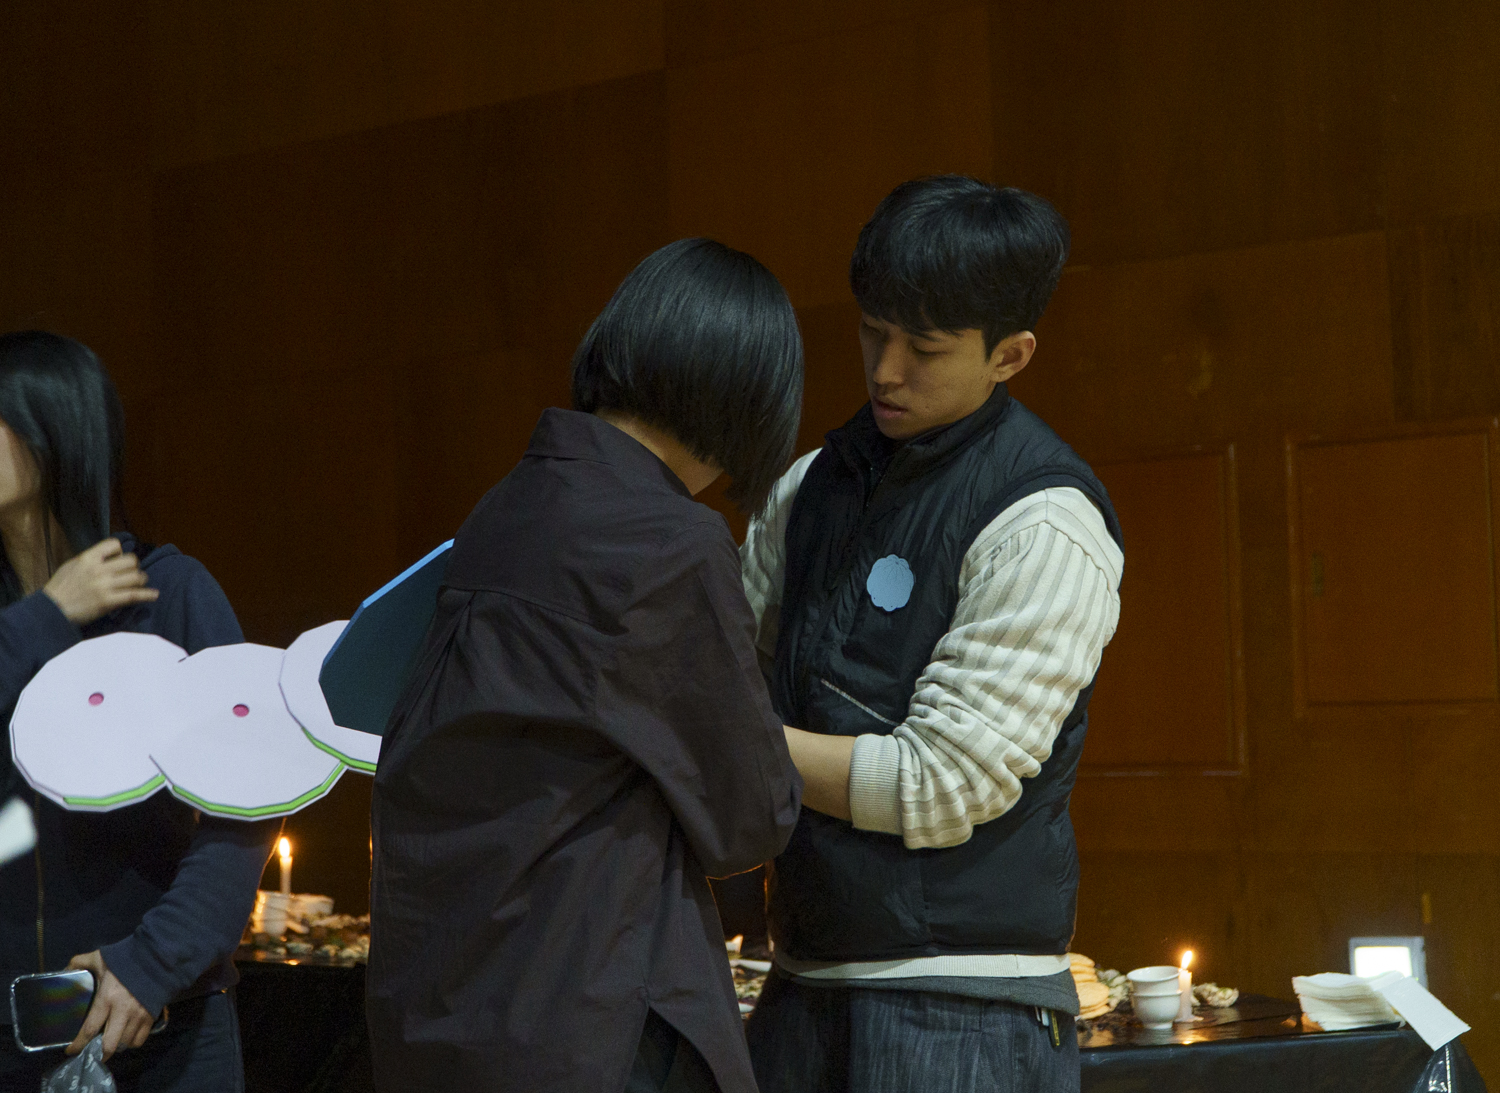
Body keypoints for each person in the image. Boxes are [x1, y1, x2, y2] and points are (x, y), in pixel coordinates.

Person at [368, 238, 805, 1093]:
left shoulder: (507, 507)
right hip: (584, 1015)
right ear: (746, 399)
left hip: (440, 1007)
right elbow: (753, 817)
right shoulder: (672, 543)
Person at [741, 177, 1125, 1093]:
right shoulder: (808, 486)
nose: (884, 370)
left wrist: (728, 740)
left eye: (924, 348)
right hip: (800, 975)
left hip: (964, 1003)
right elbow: (726, 674)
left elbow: (942, 783)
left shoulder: (1044, 521)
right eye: (873, 331)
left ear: (1010, 356)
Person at [0, 331, 275, 1092]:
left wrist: (152, 963)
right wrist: (48, 616)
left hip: (159, 1027)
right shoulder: (18, 624)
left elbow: (250, 798)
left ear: (54, 433)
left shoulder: (170, 592)